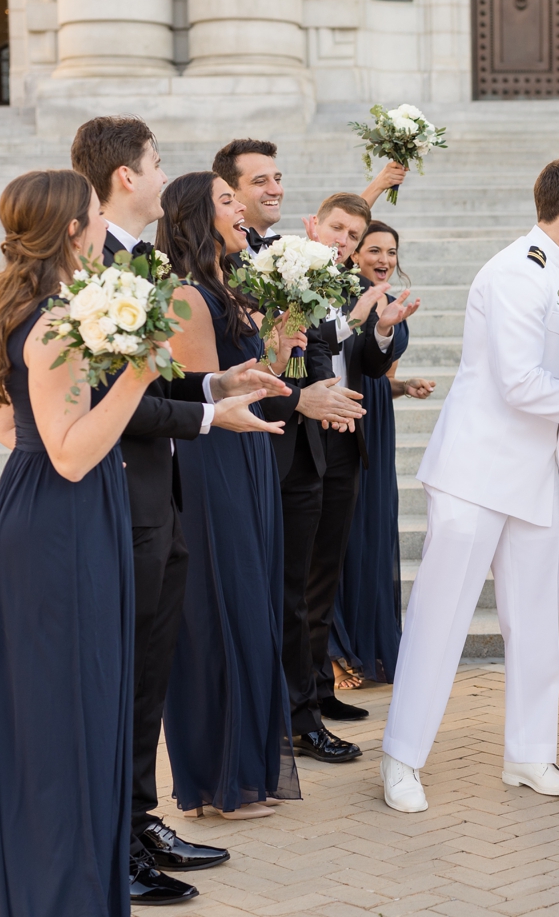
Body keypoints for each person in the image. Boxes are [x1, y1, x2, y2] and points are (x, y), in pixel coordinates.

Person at [70, 116, 298, 903]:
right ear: (126, 177)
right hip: (115, 497)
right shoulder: (91, 267)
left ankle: (139, 822)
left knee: (147, 679)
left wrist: (216, 386)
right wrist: (208, 416)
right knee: (124, 678)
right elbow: (112, 401)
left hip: (154, 496)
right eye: (158, 163)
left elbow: (153, 386)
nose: (168, 177)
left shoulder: (138, 264)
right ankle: (115, 843)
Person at [378, 157, 559, 813]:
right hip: (477, 471)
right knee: (442, 617)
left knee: (537, 622)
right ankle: (402, 758)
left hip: (535, 475)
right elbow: (518, 381)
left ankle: (530, 754)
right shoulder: (518, 271)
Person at [0, 169, 159, 917]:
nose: (105, 225)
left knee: (45, 715)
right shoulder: (57, 322)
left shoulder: (35, 311)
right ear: (75, 230)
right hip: (65, 521)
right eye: (97, 214)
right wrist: (137, 375)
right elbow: (73, 453)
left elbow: (6, 429)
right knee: (66, 715)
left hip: (35, 512)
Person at [212, 142, 414, 756]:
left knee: (315, 583)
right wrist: (302, 397)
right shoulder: (265, 262)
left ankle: (311, 694)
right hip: (275, 442)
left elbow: (333, 348)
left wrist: (374, 328)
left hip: (327, 443)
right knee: (290, 588)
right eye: (258, 181)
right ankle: (294, 714)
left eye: (279, 177)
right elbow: (266, 355)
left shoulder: (313, 266)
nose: (273, 186)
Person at [158, 171, 309, 818]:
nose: (241, 208)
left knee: (253, 606)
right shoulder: (189, 296)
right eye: (226, 200)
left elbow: (252, 376)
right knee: (222, 607)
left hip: (249, 451)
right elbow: (202, 392)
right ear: (198, 217)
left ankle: (246, 770)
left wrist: (281, 341)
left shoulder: (232, 286)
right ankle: (221, 780)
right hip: (212, 457)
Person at [329, 220, 432, 688]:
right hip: (339, 418)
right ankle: (335, 649)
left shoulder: (393, 303)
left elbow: (375, 372)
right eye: (373, 249)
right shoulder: (336, 294)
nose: (384, 259)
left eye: (391, 251)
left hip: (376, 422)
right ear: (353, 252)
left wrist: (403, 386)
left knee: (372, 534)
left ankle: (370, 644)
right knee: (342, 537)